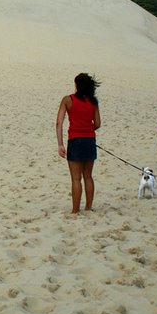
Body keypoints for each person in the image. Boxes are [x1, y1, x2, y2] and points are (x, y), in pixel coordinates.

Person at [55, 73, 102, 213]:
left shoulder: (68, 100)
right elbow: (98, 123)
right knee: (88, 176)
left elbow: (59, 122)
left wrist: (60, 144)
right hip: (89, 139)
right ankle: (88, 207)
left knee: (76, 178)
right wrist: (87, 129)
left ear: (76, 85)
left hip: (75, 140)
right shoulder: (93, 101)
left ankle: (75, 210)